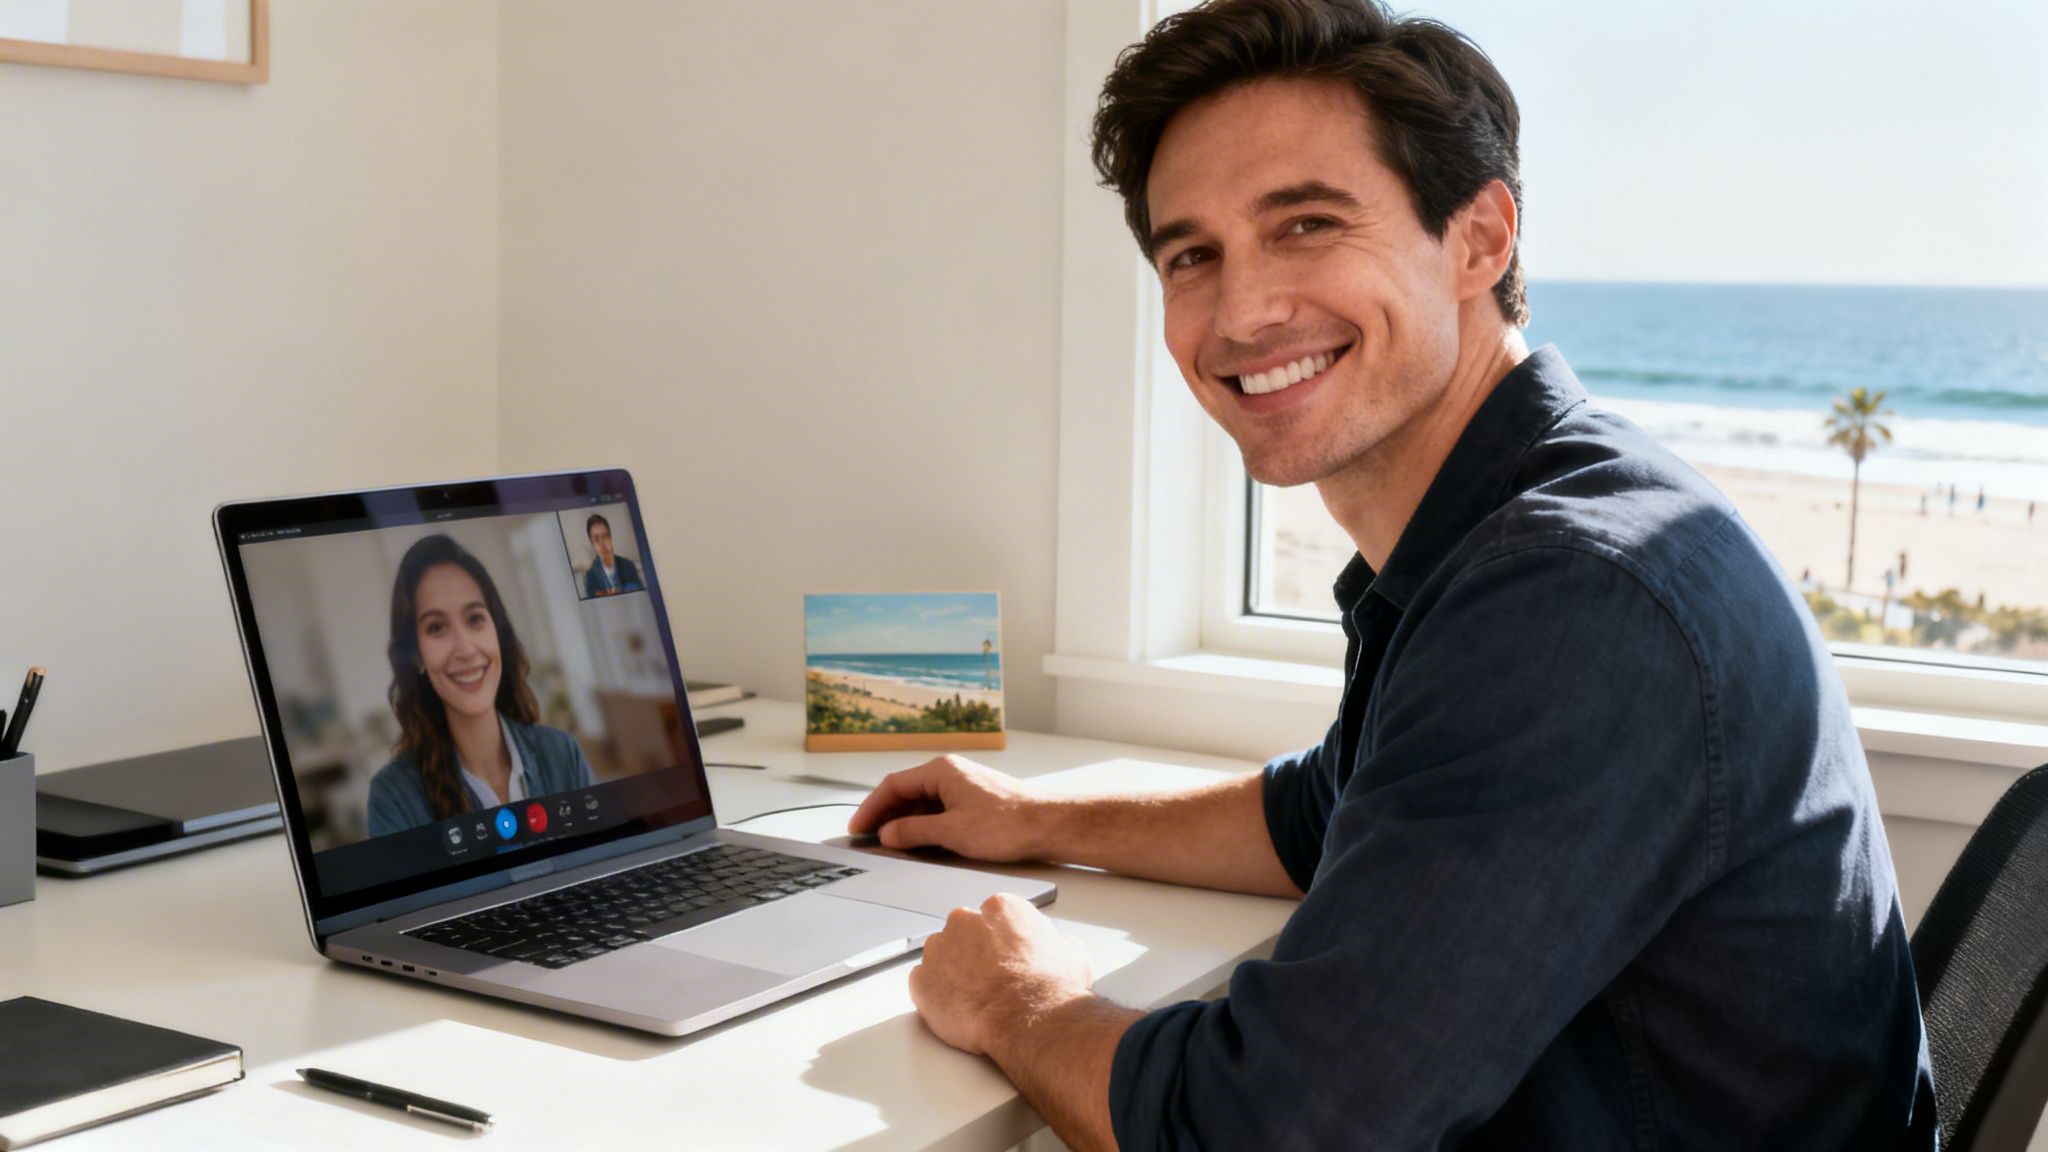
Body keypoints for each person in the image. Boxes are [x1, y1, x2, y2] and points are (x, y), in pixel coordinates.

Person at [847, 1, 1935, 1147]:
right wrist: (1030, 817)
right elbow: (1326, 812)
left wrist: (1021, 1000)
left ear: (1478, 240)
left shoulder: (1570, 598)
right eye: (1191, 255)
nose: (1242, 310)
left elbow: (1270, 1128)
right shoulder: (1511, 518)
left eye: (1306, 224)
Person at [368, 534, 594, 837]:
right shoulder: (394, 798)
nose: (465, 649)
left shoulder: (563, 755)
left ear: (496, 631)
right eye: (436, 627)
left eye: (475, 618)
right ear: (416, 655)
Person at [582, 513, 643, 597]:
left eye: (605, 536)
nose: (601, 543)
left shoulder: (628, 566)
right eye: (596, 539)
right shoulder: (591, 577)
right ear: (592, 543)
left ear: (610, 538)